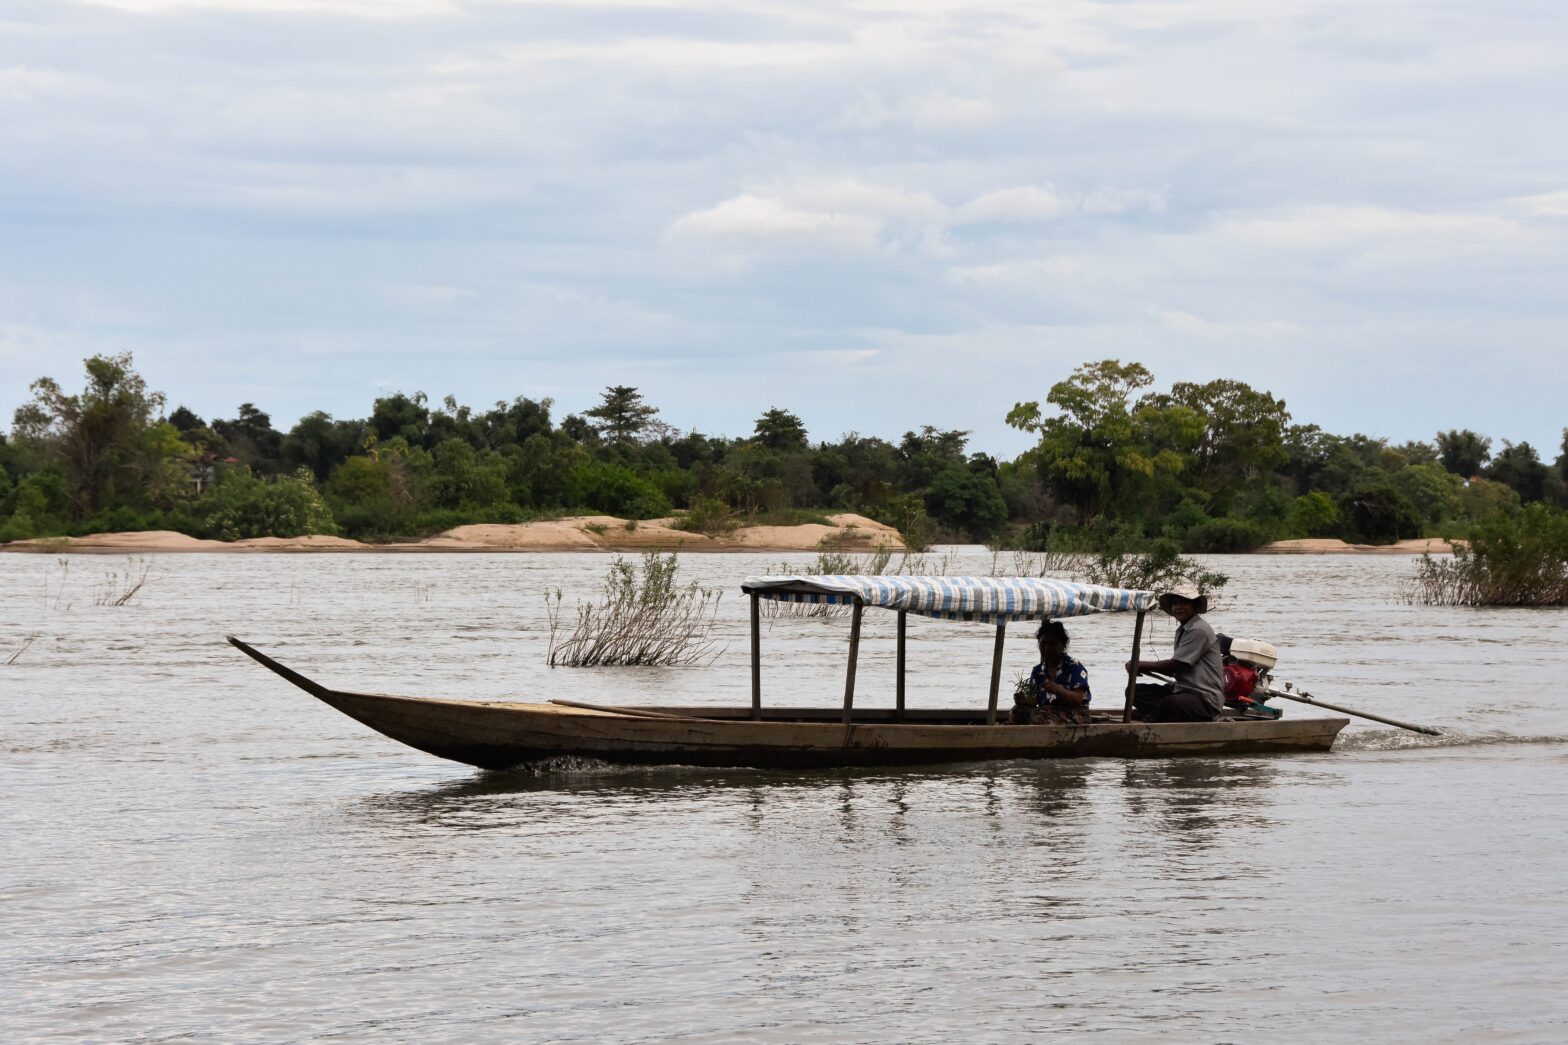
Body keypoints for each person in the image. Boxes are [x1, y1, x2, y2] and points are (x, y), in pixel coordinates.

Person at [1126, 582, 1223, 722]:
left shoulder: (1198, 630)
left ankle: (1152, 718)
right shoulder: (1184, 629)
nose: (1178, 607)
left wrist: (1140, 664)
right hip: (1182, 689)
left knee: (1171, 703)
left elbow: (1177, 666)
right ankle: (1160, 714)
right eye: (1175, 603)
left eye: (1184, 603)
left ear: (1194, 606)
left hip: (1204, 698)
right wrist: (1140, 665)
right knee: (1134, 692)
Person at [1012, 620, 1093, 725]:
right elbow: (1035, 700)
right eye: (1043, 644)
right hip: (1047, 711)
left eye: (1052, 644)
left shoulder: (1073, 666)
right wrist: (1023, 700)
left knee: (1040, 715)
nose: (1047, 648)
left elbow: (1078, 698)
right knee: (1016, 711)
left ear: (1063, 645)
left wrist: (1058, 689)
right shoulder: (1038, 671)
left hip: (1076, 714)